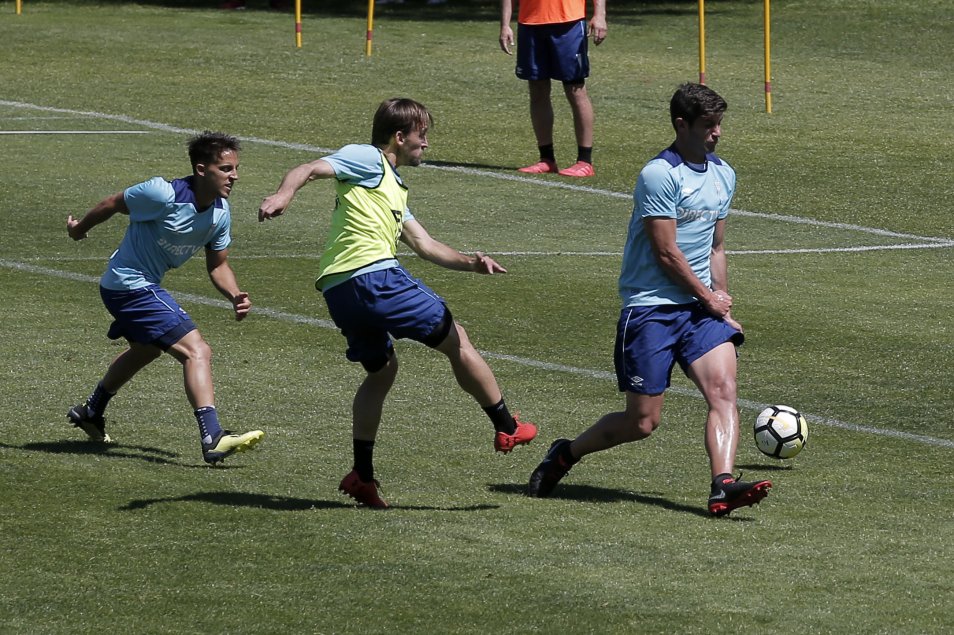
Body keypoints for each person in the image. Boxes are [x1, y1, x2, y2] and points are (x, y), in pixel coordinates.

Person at [258, 97, 538, 509]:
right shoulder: (368, 158)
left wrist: (471, 263)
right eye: (422, 136)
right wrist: (284, 194)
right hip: (373, 278)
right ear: (400, 136)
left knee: (382, 371)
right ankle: (506, 426)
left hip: (339, 290)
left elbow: (425, 245)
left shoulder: (393, 187)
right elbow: (309, 168)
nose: (426, 144)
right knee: (457, 338)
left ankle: (362, 475)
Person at [527, 83, 772, 516]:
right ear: (682, 125)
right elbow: (666, 253)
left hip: (698, 311)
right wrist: (709, 298)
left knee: (723, 391)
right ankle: (565, 453)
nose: (717, 133)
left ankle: (723, 486)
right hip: (651, 308)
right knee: (642, 422)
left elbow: (715, 248)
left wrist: (723, 305)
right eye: (708, 125)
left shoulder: (723, 174)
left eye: (719, 124)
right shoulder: (659, 174)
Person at [66, 131, 264, 466]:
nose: (234, 176)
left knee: (146, 350)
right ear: (201, 170)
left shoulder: (220, 212)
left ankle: (91, 411)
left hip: (137, 286)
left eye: (235, 169)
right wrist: (79, 228)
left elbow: (218, 265)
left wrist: (234, 294)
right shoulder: (162, 194)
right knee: (197, 350)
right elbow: (112, 203)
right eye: (226, 169)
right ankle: (213, 436)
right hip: (128, 284)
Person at [499, 0, 607, 178]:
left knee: (575, 90)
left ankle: (585, 161)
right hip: (530, 23)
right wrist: (505, 25)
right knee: (537, 90)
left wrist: (600, 15)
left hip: (569, 23)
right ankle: (546, 159)